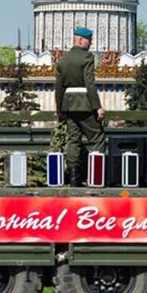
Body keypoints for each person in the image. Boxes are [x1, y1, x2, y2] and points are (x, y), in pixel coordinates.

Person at [54, 26, 106, 186]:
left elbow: (58, 87)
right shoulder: (87, 57)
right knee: (97, 138)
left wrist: (60, 110)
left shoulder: (63, 60)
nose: (90, 43)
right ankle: (95, 176)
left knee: (73, 140)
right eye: (89, 40)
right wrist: (98, 107)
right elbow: (89, 83)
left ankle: (74, 178)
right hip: (84, 104)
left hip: (68, 106)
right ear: (81, 40)